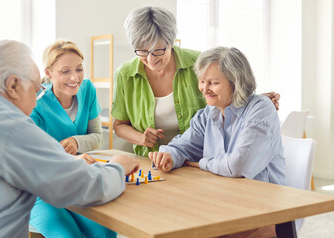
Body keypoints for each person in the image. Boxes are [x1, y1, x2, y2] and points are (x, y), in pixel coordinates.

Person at [0, 40, 140, 238]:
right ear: (13, 85)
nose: (36, 99)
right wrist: (117, 167)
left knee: (103, 231)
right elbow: (82, 186)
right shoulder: (11, 128)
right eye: (34, 89)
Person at [149, 47, 285, 238]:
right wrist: (169, 154)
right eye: (202, 81)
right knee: (169, 221)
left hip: (263, 211)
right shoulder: (208, 113)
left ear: (235, 83)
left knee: (189, 234)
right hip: (222, 202)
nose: (204, 89)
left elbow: (239, 166)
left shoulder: (261, 109)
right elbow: (183, 145)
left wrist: (200, 163)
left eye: (213, 82)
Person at [112, 6, 280, 157]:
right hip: (153, 159)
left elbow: (224, 97)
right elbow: (119, 125)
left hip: (198, 157)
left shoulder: (198, 63)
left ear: (171, 42)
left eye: (158, 50)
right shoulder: (125, 74)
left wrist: (250, 102)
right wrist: (141, 138)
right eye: (142, 51)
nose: (150, 58)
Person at [29, 39, 117, 238]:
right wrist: (70, 159)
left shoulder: (87, 90)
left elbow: (97, 137)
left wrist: (77, 142)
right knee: (69, 237)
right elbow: (32, 156)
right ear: (49, 73)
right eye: (65, 71)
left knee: (106, 234)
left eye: (79, 69)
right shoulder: (36, 102)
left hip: (76, 184)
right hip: (40, 190)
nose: (74, 77)